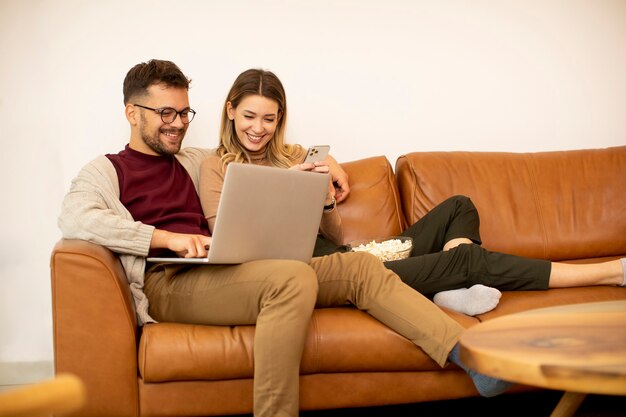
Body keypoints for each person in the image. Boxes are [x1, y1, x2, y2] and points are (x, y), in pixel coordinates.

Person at [57, 59, 511, 417]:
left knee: (356, 267)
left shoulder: (193, 158)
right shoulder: (107, 169)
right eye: (165, 113)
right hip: (170, 280)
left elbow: (266, 154)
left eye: (183, 112)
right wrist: (166, 239)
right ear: (131, 112)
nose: (177, 123)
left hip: (223, 270)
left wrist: (327, 168)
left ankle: (471, 356)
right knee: (291, 278)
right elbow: (76, 217)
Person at [199, 68, 626, 319]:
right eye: (249, 116)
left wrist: (322, 192)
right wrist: (286, 187)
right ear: (230, 111)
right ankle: (610, 273)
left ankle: (450, 284)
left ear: (281, 119)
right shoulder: (215, 165)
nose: (258, 128)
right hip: (324, 271)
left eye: (269, 119)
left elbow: (331, 229)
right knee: (465, 257)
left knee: (459, 205)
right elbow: (230, 241)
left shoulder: (295, 154)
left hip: (352, 253)